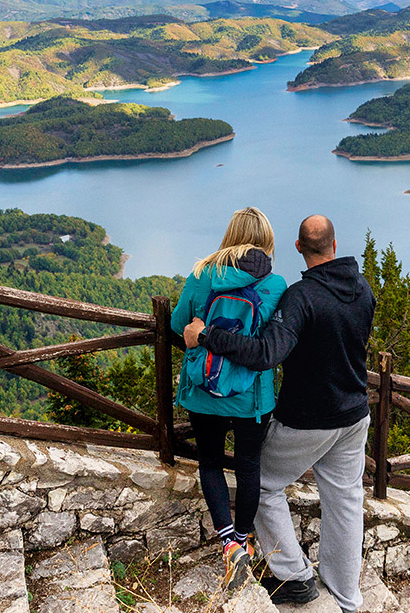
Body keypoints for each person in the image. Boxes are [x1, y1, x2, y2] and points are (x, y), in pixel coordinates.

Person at [184, 214, 374, 612]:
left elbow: (265, 354)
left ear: (299, 247)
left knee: (264, 483)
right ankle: (346, 598)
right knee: (345, 502)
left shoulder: (302, 298)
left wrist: (205, 335)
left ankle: (295, 576)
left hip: (309, 419)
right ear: (335, 245)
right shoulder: (363, 289)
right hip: (355, 416)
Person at [170, 207, 287, 590]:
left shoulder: (204, 273)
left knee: (210, 462)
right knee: (249, 465)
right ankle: (244, 540)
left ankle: (228, 546)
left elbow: (176, 325)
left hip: (204, 391)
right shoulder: (274, 283)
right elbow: (269, 342)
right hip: (252, 396)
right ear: (266, 239)